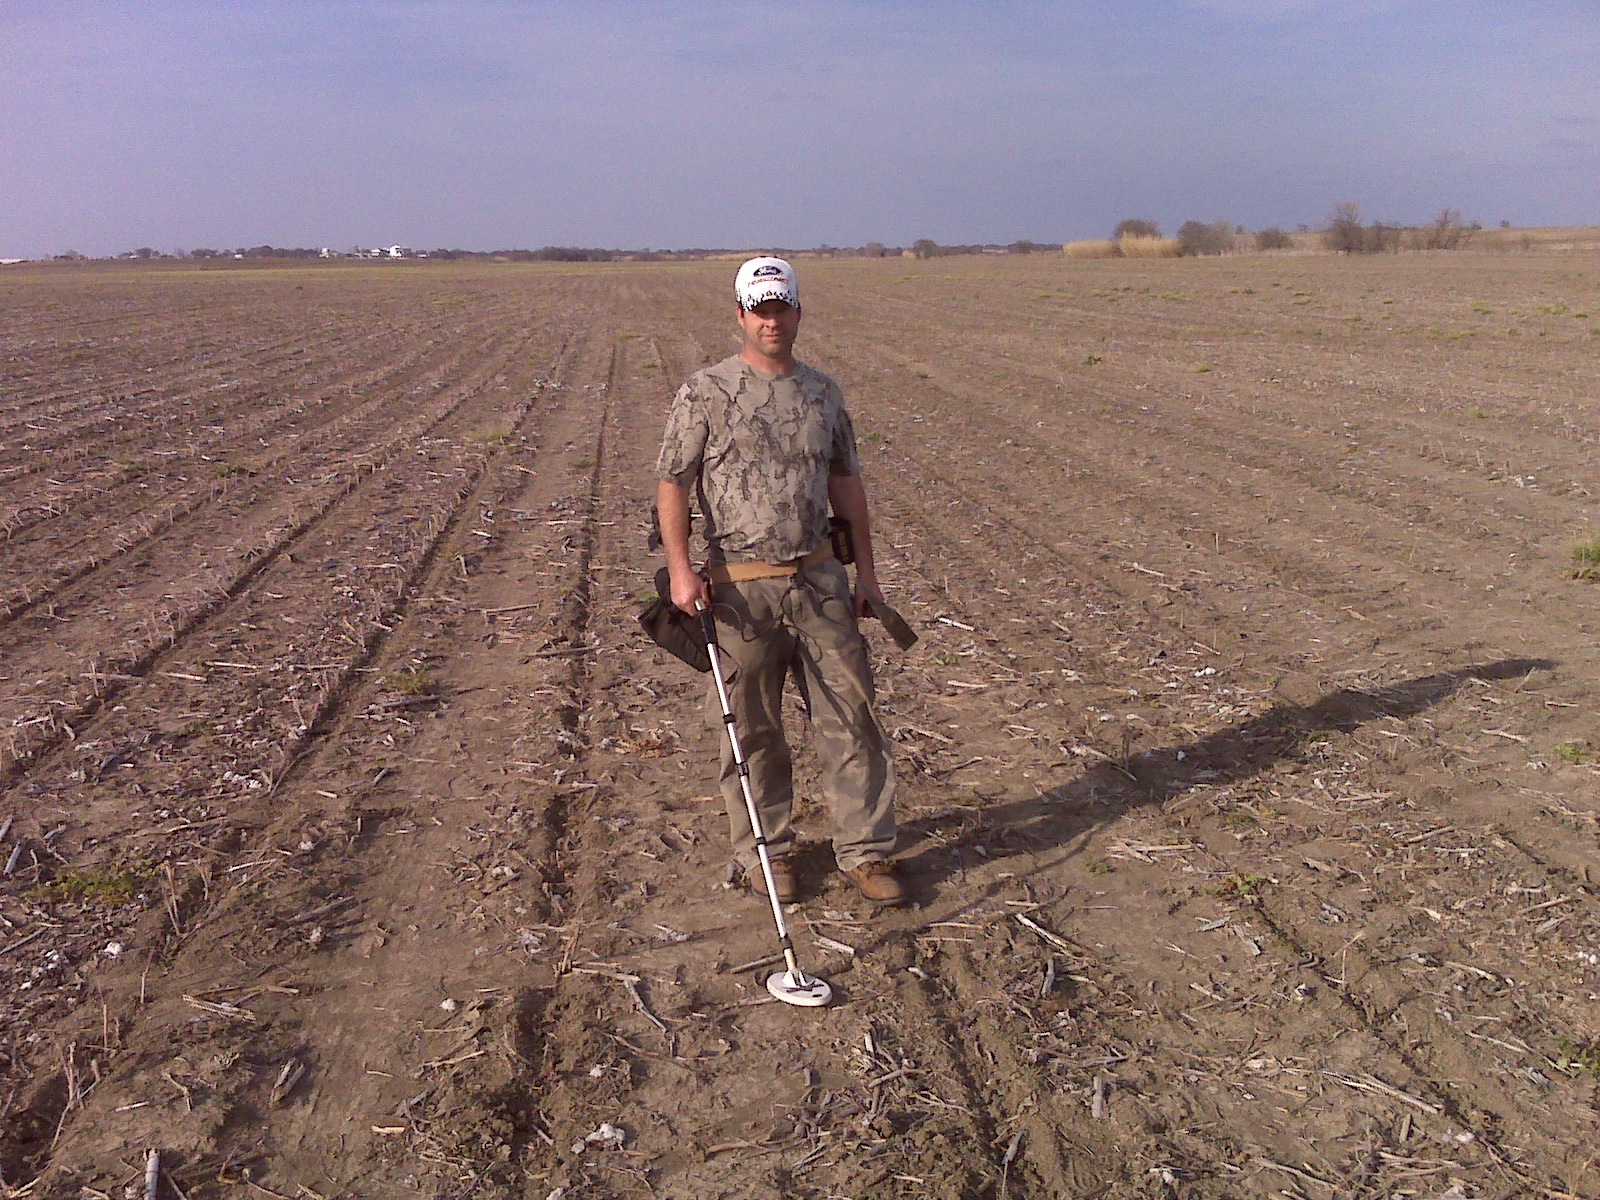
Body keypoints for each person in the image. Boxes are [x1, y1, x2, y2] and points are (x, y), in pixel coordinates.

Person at [654, 256, 904, 906]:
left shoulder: (824, 393)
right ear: (740, 314)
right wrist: (681, 571)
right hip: (740, 591)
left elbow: (847, 484)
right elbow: (672, 485)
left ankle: (866, 853)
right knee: (752, 731)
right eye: (760, 310)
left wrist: (867, 574)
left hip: (820, 581)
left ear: (797, 312)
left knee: (852, 719)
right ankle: (768, 855)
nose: (772, 321)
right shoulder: (704, 392)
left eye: (781, 308)